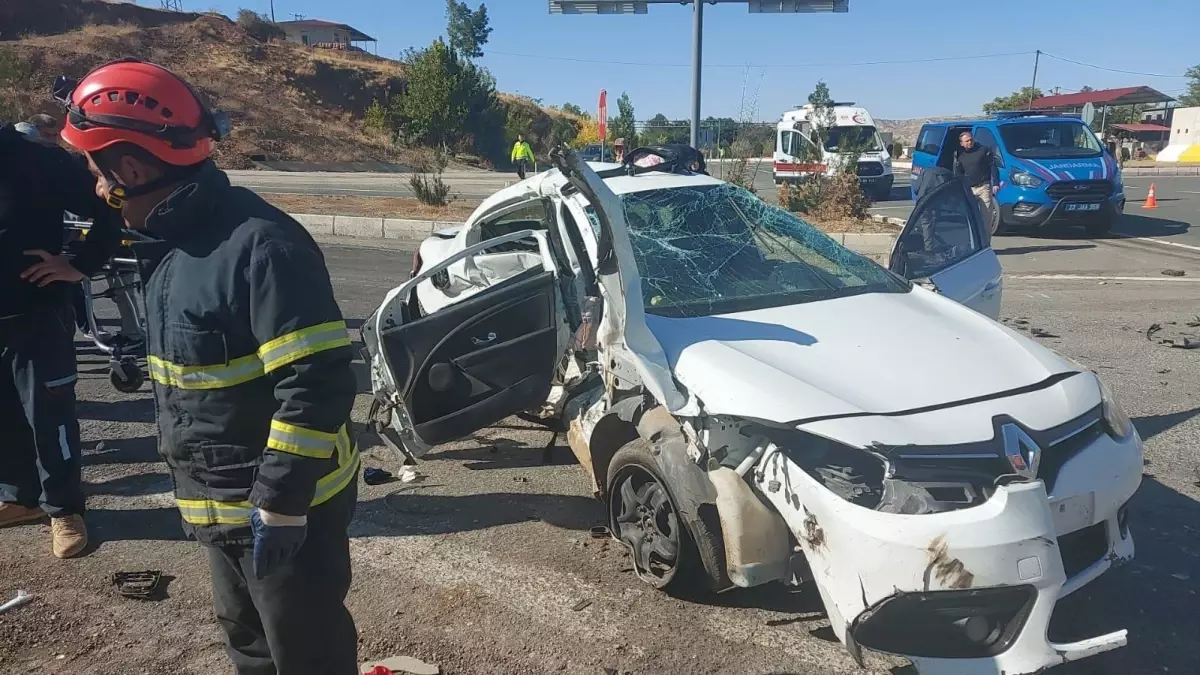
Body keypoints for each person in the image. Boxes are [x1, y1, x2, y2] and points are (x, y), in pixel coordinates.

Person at [58, 59, 360, 674]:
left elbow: (319, 382)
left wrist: (279, 506)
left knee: (307, 658)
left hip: (284, 516)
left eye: (96, 170)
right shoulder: (170, 245)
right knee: (250, 652)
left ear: (132, 169)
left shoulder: (259, 247)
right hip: (220, 510)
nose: (95, 188)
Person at [0, 119, 121, 558]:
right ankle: (19, 498)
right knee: (3, 418)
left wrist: (80, 266)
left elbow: (110, 210)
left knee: (49, 418)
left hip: (36, 314)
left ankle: (64, 510)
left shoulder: (38, 161)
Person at [952, 130, 999, 234]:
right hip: (969, 189)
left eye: (971, 139)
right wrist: (958, 188)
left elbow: (992, 166)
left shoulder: (983, 150)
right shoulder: (960, 155)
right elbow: (959, 174)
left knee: (986, 218)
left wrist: (996, 183)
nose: (970, 142)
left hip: (983, 187)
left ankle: (986, 245)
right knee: (969, 217)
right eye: (967, 141)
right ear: (962, 143)